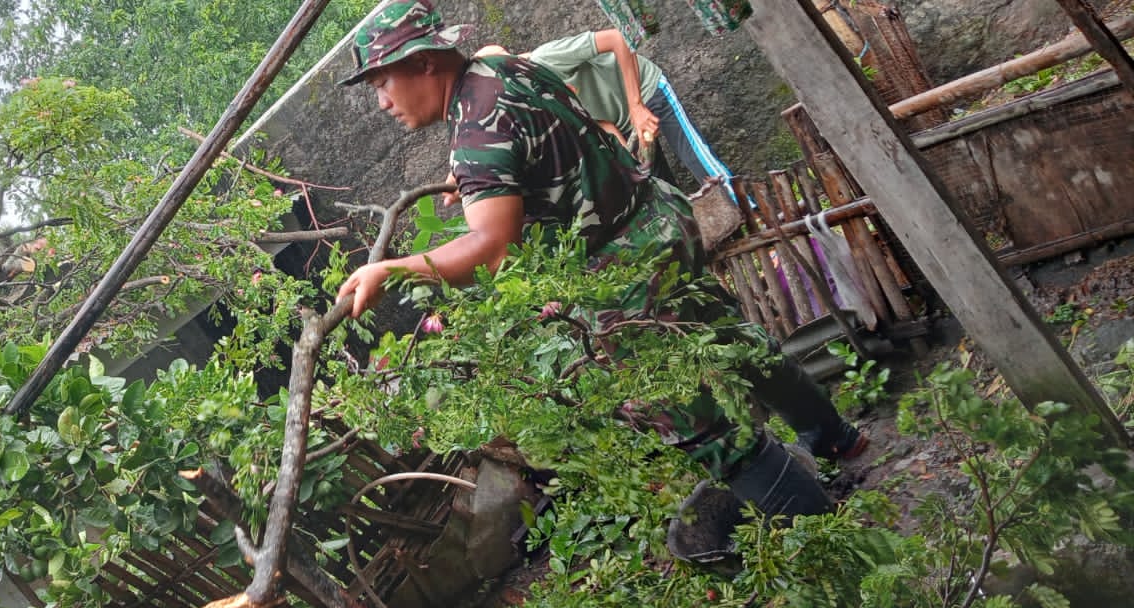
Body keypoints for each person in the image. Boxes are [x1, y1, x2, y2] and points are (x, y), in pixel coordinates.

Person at [335, 0, 863, 563]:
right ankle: (838, 440)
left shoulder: (475, 135)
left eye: (382, 82)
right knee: (735, 344)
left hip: (623, 273)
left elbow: (491, 246)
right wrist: (473, 178)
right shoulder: (501, 68)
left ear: (425, 63)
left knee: (694, 421)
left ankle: (829, 547)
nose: (382, 102)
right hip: (659, 221)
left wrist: (390, 269)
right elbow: (514, 114)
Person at [477, 30, 733, 191]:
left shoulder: (545, 59)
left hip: (645, 89)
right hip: (621, 120)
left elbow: (618, 38)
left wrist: (636, 106)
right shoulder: (531, 100)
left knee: (694, 158)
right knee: (660, 188)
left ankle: (748, 212)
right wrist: (629, 161)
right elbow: (600, 124)